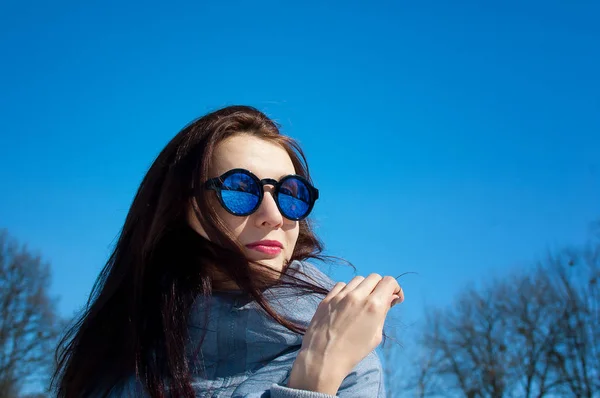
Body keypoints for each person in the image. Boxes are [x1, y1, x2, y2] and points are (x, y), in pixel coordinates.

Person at [52, 105, 404, 397]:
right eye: (240, 189)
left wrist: (317, 375)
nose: (273, 216)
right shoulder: (119, 356)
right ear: (182, 208)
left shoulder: (345, 352)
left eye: (290, 194)